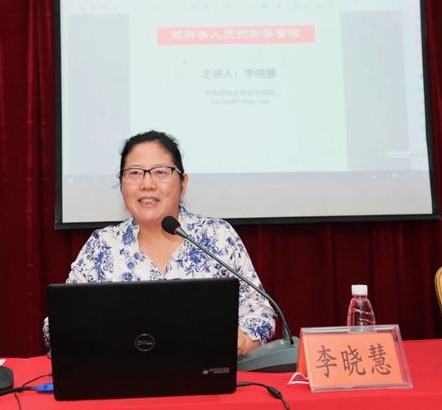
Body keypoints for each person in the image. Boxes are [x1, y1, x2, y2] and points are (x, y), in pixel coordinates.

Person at [43, 130, 276, 356]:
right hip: (123, 377)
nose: (147, 184)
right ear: (121, 184)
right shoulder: (102, 246)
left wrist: (242, 342)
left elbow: (261, 313)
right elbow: (57, 325)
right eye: (134, 173)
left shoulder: (217, 237)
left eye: (161, 172)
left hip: (204, 375)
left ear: (183, 183)